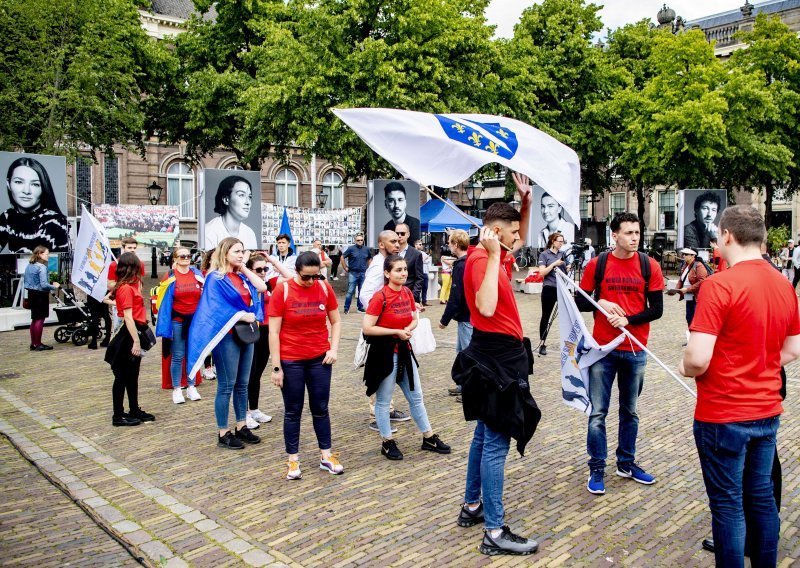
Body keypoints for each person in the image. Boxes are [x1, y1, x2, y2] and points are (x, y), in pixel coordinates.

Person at [679, 205, 800, 567]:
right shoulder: (783, 283)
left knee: (729, 504)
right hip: (766, 411)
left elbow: (698, 358)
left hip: (723, 413)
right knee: (761, 497)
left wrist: (686, 365)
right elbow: (793, 348)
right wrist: (758, 362)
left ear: (727, 236)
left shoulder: (718, 285)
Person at [451, 203, 541, 556]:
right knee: (495, 443)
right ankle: (494, 530)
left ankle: (473, 505)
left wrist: (526, 204)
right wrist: (490, 257)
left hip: (500, 354)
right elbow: (485, 308)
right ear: (497, 233)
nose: (519, 240)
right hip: (496, 358)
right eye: (514, 233)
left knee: (484, 435)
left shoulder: (494, 254)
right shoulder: (479, 261)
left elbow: (515, 240)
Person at [577, 212, 664, 495]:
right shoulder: (597, 265)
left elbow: (657, 309)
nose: (634, 238)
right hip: (603, 350)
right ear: (614, 235)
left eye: (637, 233)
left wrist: (628, 320)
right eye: (628, 233)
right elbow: (580, 300)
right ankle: (597, 467)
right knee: (598, 413)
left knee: (630, 412)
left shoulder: (649, 266)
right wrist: (599, 301)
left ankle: (626, 463)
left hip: (635, 349)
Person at [362, 254, 451, 460]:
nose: (403, 273)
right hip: (385, 353)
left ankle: (428, 437)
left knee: (416, 396)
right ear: (387, 273)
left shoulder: (407, 292)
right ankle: (387, 442)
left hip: (404, 351)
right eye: (398, 270)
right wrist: (395, 332)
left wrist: (408, 329)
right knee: (383, 401)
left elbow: (413, 319)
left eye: (404, 269)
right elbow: (367, 328)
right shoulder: (380, 297)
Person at [186, 237, 268, 450]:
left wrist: (244, 268)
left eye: (243, 251)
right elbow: (214, 308)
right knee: (226, 385)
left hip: (246, 335)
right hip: (227, 336)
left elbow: (262, 286)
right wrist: (242, 315)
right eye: (236, 252)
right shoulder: (216, 277)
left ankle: (241, 425)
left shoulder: (241, 276)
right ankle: (223, 432)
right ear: (225, 253)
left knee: (243, 383)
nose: (241, 255)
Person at [268, 252, 343, 480]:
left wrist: (334, 348)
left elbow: (336, 320)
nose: (311, 281)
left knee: (321, 408)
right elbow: (273, 331)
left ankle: (326, 456)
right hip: (291, 360)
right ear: (297, 271)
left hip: (319, 358)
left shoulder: (323, 288)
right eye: (306, 277)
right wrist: (276, 367)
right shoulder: (284, 290)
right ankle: (292, 460)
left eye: (315, 276)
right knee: (293, 411)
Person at [359, 230, 408, 431]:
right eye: (393, 241)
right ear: (381, 244)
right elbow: (365, 295)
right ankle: (377, 414)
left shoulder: (390, 262)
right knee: (379, 370)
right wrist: (381, 311)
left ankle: (387, 408)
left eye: (399, 240)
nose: (398, 244)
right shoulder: (378, 266)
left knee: (390, 370)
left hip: (392, 329)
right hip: (380, 328)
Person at [103, 252, 155, 427]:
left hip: (133, 331)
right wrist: (136, 341)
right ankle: (118, 414)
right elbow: (128, 317)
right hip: (128, 334)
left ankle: (133, 408)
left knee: (132, 375)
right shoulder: (126, 287)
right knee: (122, 376)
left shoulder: (130, 286)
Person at [245, 253, 291, 430]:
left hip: (266, 331)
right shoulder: (246, 284)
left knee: (257, 373)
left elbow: (289, 278)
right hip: (251, 330)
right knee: (248, 374)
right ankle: (245, 413)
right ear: (250, 270)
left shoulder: (269, 284)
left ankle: (254, 408)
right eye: (259, 269)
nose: (263, 272)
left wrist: (273, 261)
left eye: (265, 269)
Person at [155, 247, 205, 405]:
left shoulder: (197, 274)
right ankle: (177, 388)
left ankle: (191, 386)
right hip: (178, 321)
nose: (186, 258)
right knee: (177, 355)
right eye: (182, 256)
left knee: (193, 354)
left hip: (195, 321)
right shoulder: (169, 276)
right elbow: (162, 301)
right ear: (175, 259)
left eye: (188, 255)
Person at [0, 156, 69, 253]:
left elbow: (55, 264)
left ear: (43, 187)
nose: (26, 191)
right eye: (19, 182)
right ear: (8, 184)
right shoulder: (7, 217)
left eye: (35, 184)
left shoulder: (56, 223)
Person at [438, 229, 471, 399]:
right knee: (460, 351)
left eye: (450, 242)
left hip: (466, 316)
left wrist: (445, 320)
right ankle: (461, 384)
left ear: (456, 245)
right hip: (465, 316)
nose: (448, 245)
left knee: (466, 352)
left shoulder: (461, 266)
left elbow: (455, 295)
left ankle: (469, 389)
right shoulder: (467, 261)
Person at [204, 175, 258, 250]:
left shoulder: (250, 233)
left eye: (249, 196)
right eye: (241, 195)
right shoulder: (208, 232)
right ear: (226, 200)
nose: (248, 202)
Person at [536, 232, 568, 356]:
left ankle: (569, 343)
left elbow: (565, 271)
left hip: (561, 288)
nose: (561, 244)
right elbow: (542, 272)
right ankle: (542, 343)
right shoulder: (544, 255)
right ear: (553, 241)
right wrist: (554, 264)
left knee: (567, 315)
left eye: (562, 241)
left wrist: (568, 267)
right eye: (559, 241)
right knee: (546, 316)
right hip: (549, 288)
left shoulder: (563, 254)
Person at [24, 246, 60, 350]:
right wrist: (54, 286)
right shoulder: (42, 267)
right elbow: (44, 285)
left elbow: (27, 282)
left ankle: (33, 343)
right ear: (40, 254)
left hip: (31, 294)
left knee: (34, 319)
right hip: (40, 295)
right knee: (40, 319)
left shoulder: (29, 266)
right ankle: (38, 344)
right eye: (46, 254)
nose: (48, 256)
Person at [669, 248, 708, 330]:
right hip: (689, 296)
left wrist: (688, 289)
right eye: (683, 254)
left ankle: (696, 340)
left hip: (697, 297)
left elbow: (702, 281)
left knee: (696, 319)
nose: (684, 256)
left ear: (693, 255)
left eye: (686, 254)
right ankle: (690, 339)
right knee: (689, 317)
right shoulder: (685, 265)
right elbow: (681, 279)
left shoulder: (699, 265)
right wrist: (676, 290)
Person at [395, 223, 424, 305]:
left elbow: (420, 278)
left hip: (410, 296)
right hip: (393, 297)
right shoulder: (391, 252)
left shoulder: (416, 254)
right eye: (397, 233)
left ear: (408, 234)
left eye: (402, 233)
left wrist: (413, 296)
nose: (399, 236)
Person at [342, 233, 370, 314]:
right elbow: (342, 257)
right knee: (350, 291)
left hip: (362, 273)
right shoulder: (351, 249)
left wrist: (368, 268)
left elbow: (369, 258)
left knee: (362, 291)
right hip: (353, 273)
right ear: (355, 241)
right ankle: (346, 308)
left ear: (363, 240)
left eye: (361, 240)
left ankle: (360, 308)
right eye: (358, 240)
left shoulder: (366, 249)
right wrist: (345, 267)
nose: (360, 241)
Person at [415, 239, 433, 306]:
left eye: (421, 244)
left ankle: (424, 301)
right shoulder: (414, 253)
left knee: (425, 287)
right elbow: (421, 260)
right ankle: (418, 301)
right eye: (419, 244)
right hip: (419, 272)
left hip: (425, 272)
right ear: (415, 245)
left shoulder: (423, 253)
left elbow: (427, 261)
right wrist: (424, 259)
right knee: (418, 287)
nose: (421, 245)